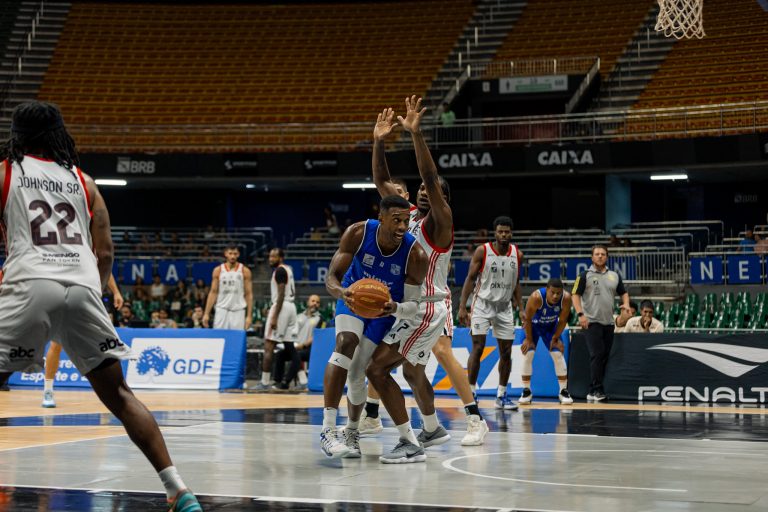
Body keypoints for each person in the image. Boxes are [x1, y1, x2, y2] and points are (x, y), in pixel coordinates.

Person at [0, 101, 201, 511]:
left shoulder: (5, 172)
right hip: (83, 286)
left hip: (31, 283)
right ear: (60, 134)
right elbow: (105, 252)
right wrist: (92, 290)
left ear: (16, 135)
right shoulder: (84, 181)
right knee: (121, 395)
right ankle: (179, 491)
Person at [370, 101, 490, 447]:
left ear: (442, 199)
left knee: (434, 353)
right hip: (409, 304)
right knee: (410, 369)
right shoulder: (407, 217)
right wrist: (379, 141)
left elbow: (428, 177)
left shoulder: (441, 223)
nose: (424, 191)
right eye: (421, 190)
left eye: (431, 191)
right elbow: (381, 181)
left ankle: (474, 419)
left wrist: (416, 134)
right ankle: (425, 425)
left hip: (431, 303)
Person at [320, 194, 427, 459]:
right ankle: (327, 431)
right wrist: (341, 292)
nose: (402, 226)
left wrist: (396, 308)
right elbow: (332, 278)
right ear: (381, 217)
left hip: (384, 312)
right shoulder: (358, 233)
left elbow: (413, 305)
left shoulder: (415, 254)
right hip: (352, 298)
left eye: (406, 221)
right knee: (345, 343)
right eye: (396, 220)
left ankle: (352, 431)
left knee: (358, 372)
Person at [458, 216, 522, 410]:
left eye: (507, 232)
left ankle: (501, 395)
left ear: (511, 233)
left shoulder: (517, 254)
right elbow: (470, 278)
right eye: (500, 231)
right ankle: (471, 393)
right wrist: (462, 307)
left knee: (506, 352)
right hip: (482, 305)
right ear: (495, 233)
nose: (503, 235)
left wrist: (521, 307)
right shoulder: (482, 251)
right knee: (478, 348)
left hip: (504, 307)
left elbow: (517, 282)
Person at [42, 274, 124, 408]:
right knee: (56, 345)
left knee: (101, 342)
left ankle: (109, 390)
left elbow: (106, 269)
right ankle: (48, 390)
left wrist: (116, 292)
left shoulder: (92, 260)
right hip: (62, 297)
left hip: (87, 298)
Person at [572, 244, 630, 402]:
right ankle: (597, 389)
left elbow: (624, 293)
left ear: (607, 257)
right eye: (597, 254)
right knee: (597, 355)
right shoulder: (584, 275)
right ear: (592, 257)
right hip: (591, 322)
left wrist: (626, 304)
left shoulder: (614, 276)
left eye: (603, 254)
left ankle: (593, 390)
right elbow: (575, 295)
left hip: (609, 323)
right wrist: (580, 314)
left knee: (604, 356)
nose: (600, 256)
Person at [519, 278, 574, 405]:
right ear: (547, 289)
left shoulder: (566, 298)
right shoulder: (536, 297)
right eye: (552, 292)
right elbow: (527, 319)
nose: (555, 296)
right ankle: (526, 391)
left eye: (558, 293)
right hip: (532, 326)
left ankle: (563, 391)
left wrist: (555, 338)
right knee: (528, 353)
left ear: (562, 292)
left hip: (550, 327)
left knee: (558, 354)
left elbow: (562, 321)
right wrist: (529, 339)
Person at [255, 248, 297, 390]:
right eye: (270, 256)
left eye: (274, 256)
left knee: (269, 345)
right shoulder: (288, 269)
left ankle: (264, 382)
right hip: (291, 307)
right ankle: (303, 380)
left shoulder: (279, 270)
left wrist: (274, 316)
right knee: (290, 347)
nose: (270, 259)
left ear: (281, 258)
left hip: (282, 307)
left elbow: (281, 294)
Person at [272, 294, 321, 390]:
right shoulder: (298, 316)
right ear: (308, 302)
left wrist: (303, 345)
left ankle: (286, 382)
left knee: (296, 356)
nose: (315, 303)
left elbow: (317, 336)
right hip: (295, 346)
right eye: (313, 301)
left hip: (309, 349)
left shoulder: (320, 319)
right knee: (280, 355)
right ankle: (277, 381)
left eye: (317, 302)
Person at [202, 245, 253, 331]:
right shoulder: (218, 270)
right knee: (219, 336)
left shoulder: (245, 271)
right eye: (230, 253)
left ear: (238, 254)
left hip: (238, 310)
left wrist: (249, 316)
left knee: (236, 337)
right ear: (225, 254)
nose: (233, 256)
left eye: (235, 254)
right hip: (221, 309)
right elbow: (213, 292)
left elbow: (248, 294)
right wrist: (206, 313)